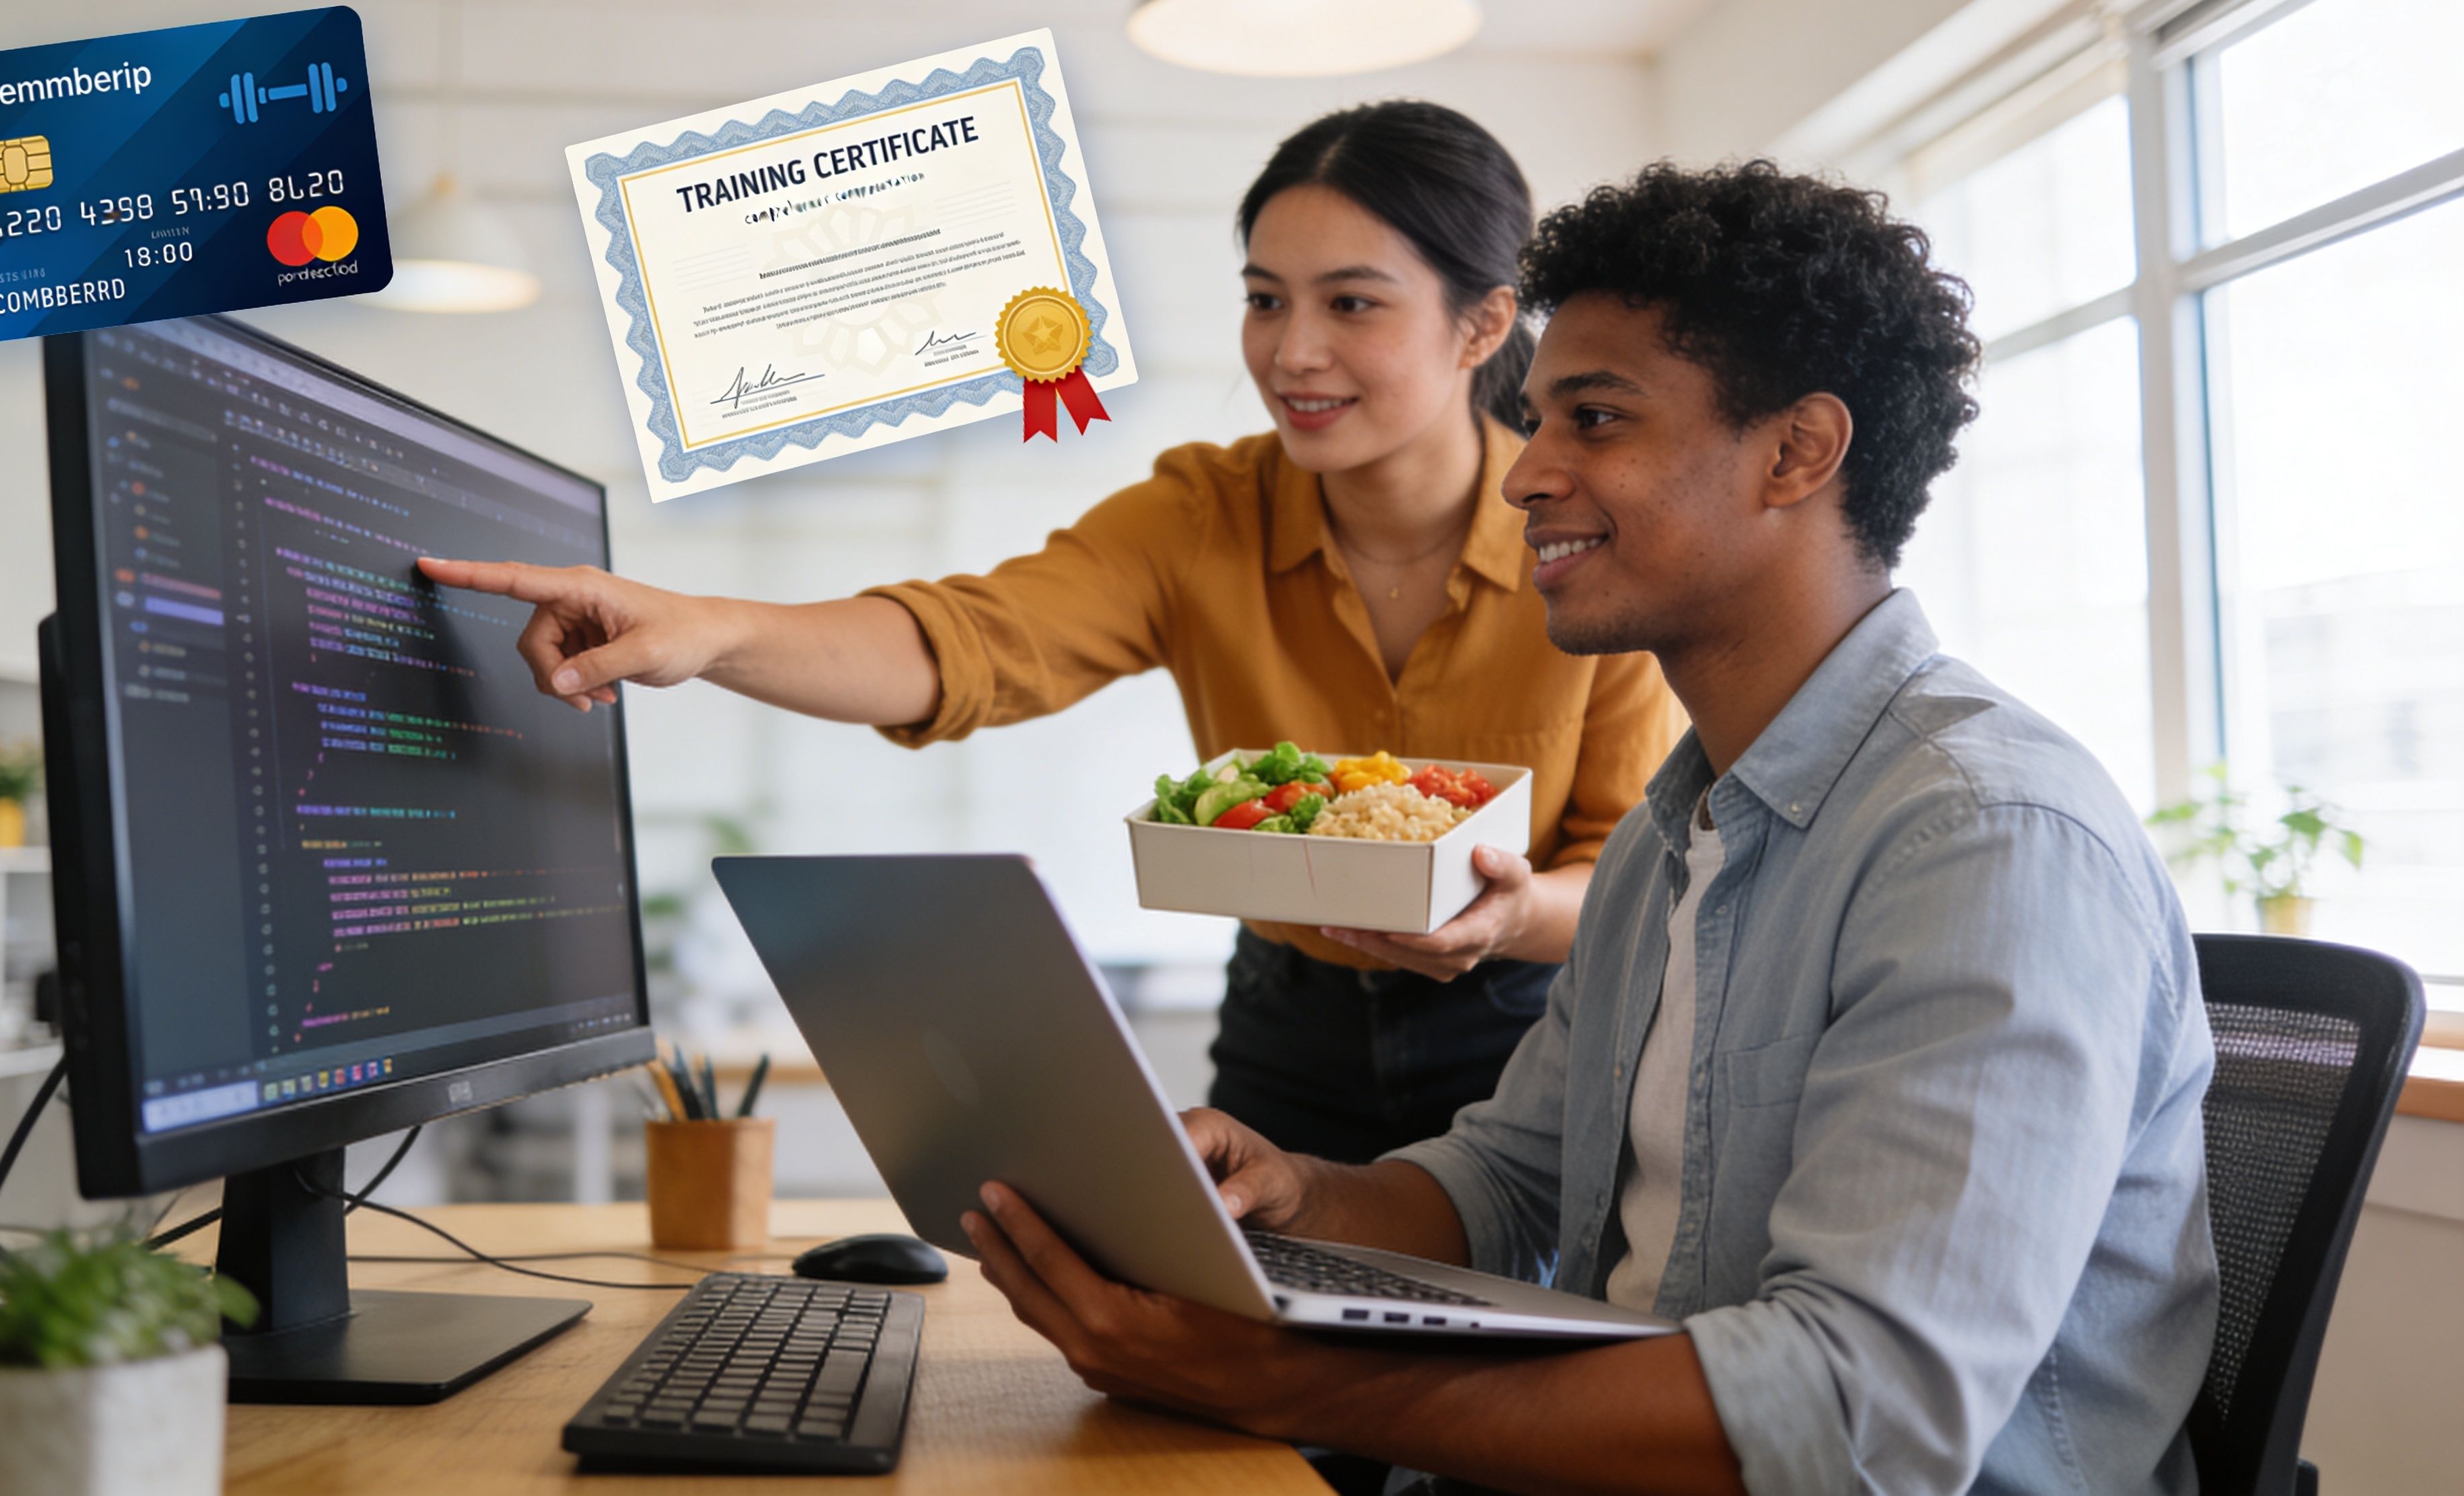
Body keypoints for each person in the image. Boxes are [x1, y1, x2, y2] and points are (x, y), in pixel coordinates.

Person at [960, 160, 2220, 1494]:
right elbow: (1507, 1188)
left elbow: (1858, 1417)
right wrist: (1292, 1194)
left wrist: (1270, 1380)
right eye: (1538, 416)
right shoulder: (1670, 839)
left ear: (1795, 452)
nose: (1527, 474)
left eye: (1594, 420)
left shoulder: (1983, 843)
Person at [423, 102, 1677, 1162]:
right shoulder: (1201, 515)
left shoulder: (1588, 539)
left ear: (1480, 325)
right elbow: (968, 644)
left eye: (1353, 304)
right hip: (1287, 1024)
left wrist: (1504, 920)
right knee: (1261, 1397)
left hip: (1535, 1027)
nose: (1293, 352)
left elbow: (1627, 871)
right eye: (1264, 299)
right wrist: (700, 631)